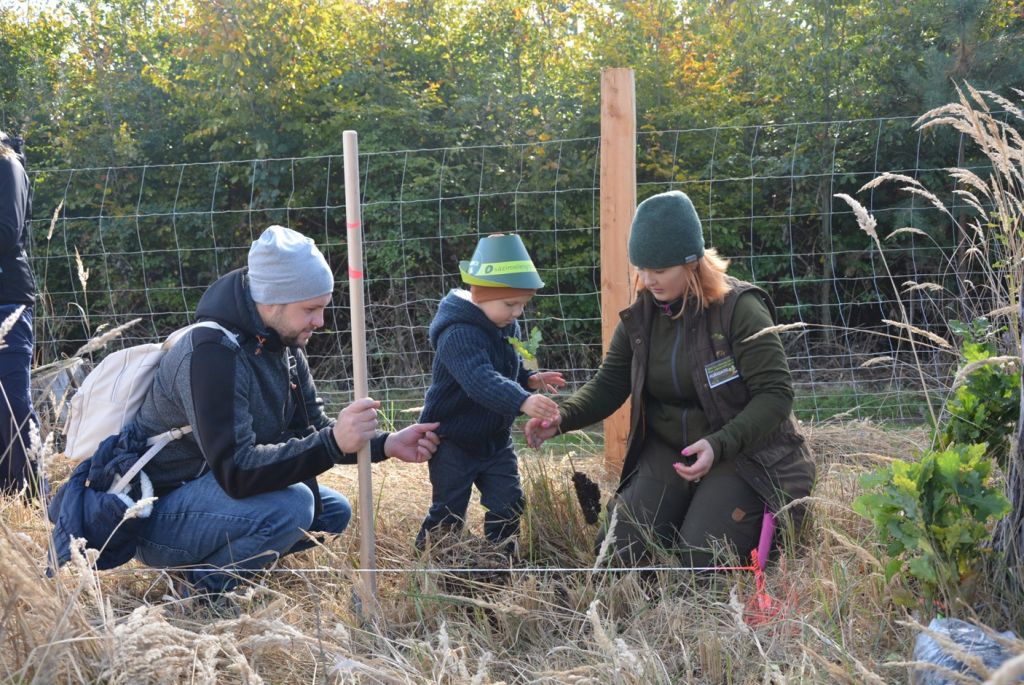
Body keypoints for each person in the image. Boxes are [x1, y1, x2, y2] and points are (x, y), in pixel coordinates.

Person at [132, 225, 440, 596]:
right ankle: (202, 593)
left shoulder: (283, 345)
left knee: (331, 512)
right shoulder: (212, 354)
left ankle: (220, 567)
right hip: (156, 515)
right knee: (294, 506)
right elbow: (237, 471)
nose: (320, 322)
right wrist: (333, 442)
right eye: (310, 309)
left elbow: (315, 427)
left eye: (323, 308)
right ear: (271, 301)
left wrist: (386, 444)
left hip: (208, 498)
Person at [525, 190, 815, 567]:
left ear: (691, 262)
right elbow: (609, 384)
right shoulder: (641, 317)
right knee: (618, 555)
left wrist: (719, 444)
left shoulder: (739, 309)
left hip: (741, 451)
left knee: (701, 559)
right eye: (641, 268)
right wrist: (562, 417)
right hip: (670, 451)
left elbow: (776, 395)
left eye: (660, 270)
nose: (648, 280)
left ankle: (720, 516)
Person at [415, 233, 564, 552]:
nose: (517, 312)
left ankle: (501, 558)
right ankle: (432, 559)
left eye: (523, 304)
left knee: (509, 503)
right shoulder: (457, 334)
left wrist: (529, 380)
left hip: (495, 441)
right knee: (449, 510)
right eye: (510, 304)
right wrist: (522, 400)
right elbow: (480, 380)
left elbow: (507, 371)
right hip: (453, 440)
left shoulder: (506, 326)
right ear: (480, 294)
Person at [0, 130, 42, 496]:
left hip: (7, 302)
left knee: (12, 408)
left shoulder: (7, 164)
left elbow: (7, 232)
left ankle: (33, 500)